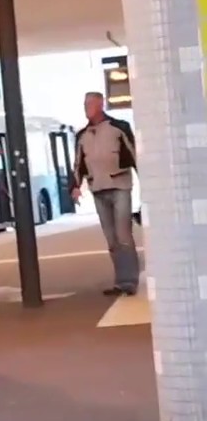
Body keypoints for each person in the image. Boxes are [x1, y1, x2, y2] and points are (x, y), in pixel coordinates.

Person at [70, 91, 139, 296]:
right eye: (85, 104)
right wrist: (75, 186)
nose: (86, 108)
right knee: (111, 239)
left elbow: (135, 154)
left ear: (100, 105)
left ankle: (130, 281)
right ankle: (120, 281)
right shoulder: (82, 136)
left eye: (89, 104)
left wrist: (147, 181)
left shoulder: (119, 128)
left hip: (120, 185)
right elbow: (77, 163)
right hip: (97, 188)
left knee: (123, 235)